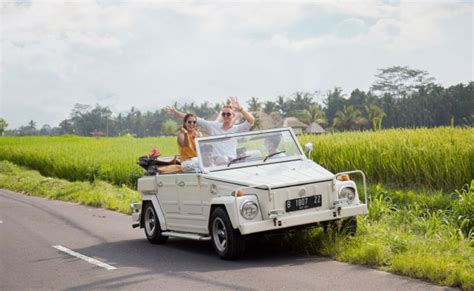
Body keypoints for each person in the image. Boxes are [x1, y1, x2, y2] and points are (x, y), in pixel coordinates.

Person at [166, 97, 255, 163]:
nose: (225, 116)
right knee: (223, 159)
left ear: (233, 115)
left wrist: (241, 109)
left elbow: (251, 120)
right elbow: (196, 119)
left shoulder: (237, 129)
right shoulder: (214, 126)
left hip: (231, 161)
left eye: (228, 114)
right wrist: (176, 113)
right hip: (216, 161)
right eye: (223, 114)